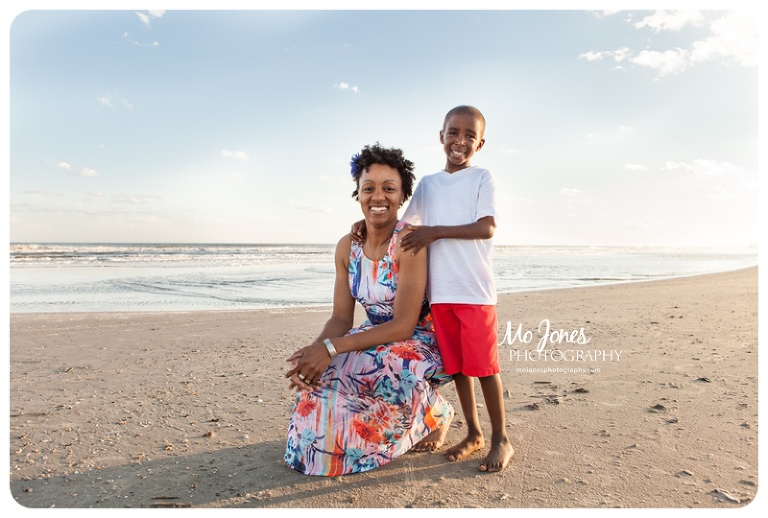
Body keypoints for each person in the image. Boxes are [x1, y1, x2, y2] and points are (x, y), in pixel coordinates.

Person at [352, 105, 513, 472]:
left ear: (480, 143)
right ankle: (474, 433)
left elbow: (487, 227)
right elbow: (404, 224)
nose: (460, 141)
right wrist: (365, 220)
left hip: (474, 291)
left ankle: (501, 438)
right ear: (441, 137)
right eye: (453, 133)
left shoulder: (482, 178)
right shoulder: (427, 184)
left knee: (485, 368)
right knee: (458, 368)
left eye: (469, 135)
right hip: (440, 294)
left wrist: (437, 231)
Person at [284, 143, 454, 477]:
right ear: (357, 194)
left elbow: (404, 325)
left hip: (424, 342)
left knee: (377, 360)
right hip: (376, 337)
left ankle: (435, 414)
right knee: (325, 381)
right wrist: (316, 353)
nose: (379, 196)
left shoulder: (409, 244)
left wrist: (332, 347)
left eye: (389, 188)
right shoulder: (348, 246)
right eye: (369, 188)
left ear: (402, 195)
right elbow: (340, 319)